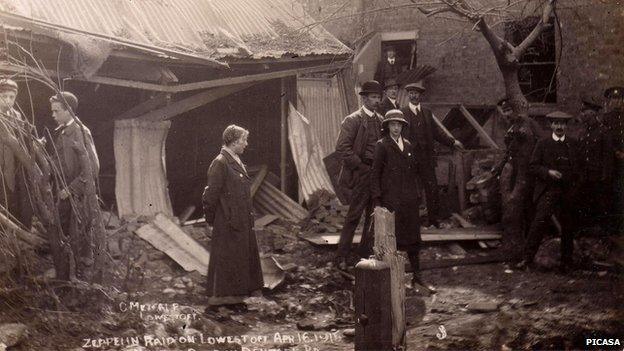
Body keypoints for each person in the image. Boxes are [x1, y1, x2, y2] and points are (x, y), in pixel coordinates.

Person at [371, 109, 435, 294]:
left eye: (399, 124)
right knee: (391, 240)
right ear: (387, 126)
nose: (396, 127)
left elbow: (414, 172)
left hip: (408, 200)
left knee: (413, 239)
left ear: (403, 126)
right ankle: (388, 280)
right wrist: (377, 200)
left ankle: (417, 276)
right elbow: (374, 174)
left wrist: (417, 194)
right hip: (390, 201)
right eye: (393, 124)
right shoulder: (381, 145)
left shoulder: (407, 145)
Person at [202, 125, 263, 307]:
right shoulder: (220, 162)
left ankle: (238, 294)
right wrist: (211, 221)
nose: (246, 144)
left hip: (240, 219)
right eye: (244, 140)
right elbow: (210, 195)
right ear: (235, 141)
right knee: (229, 258)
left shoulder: (235, 160)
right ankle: (223, 297)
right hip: (228, 220)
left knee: (239, 256)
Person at [517, 111, 580, 272]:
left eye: (563, 124)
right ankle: (527, 259)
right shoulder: (543, 143)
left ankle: (567, 261)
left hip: (567, 190)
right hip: (549, 189)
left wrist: (574, 186)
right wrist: (548, 172)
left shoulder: (573, 143)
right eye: (556, 123)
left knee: (568, 225)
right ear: (551, 125)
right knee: (539, 222)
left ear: (566, 126)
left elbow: (580, 168)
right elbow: (533, 166)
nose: (559, 127)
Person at [335, 80, 384, 269]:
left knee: (373, 216)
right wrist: (362, 167)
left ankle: (362, 255)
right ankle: (341, 256)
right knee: (354, 216)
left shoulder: (381, 121)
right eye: (373, 97)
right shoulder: (353, 120)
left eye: (378, 97)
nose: (376, 101)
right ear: (364, 98)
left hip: (377, 175)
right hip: (361, 174)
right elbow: (342, 148)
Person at [400, 81, 463, 227]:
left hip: (426, 158)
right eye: (411, 93)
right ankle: (411, 222)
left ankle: (433, 220)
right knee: (410, 190)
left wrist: (453, 142)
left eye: (416, 93)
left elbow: (437, 133)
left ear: (420, 95)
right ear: (408, 95)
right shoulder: (402, 113)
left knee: (432, 189)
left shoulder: (427, 113)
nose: (413, 95)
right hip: (409, 158)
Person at [49, 91, 99, 271]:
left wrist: (71, 189)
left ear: (68, 110)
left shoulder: (80, 132)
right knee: (65, 231)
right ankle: (68, 269)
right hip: (63, 191)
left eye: (56, 111)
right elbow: (59, 160)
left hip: (77, 193)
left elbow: (92, 167)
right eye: (52, 111)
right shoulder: (63, 131)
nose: (53, 115)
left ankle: (81, 274)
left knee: (79, 232)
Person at [490, 98, 543, 237]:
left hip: (527, 169)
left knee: (528, 202)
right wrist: (500, 167)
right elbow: (509, 151)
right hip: (514, 170)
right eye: (504, 111)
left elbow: (541, 144)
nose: (506, 114)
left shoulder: (530, 124)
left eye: (509, 110)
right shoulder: (512, 127)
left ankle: (530, 234)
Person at [576, 96, 613, 230]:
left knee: (601, 204)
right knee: (585, 202)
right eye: (582, 111)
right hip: (584, 175)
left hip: (598, 176)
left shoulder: (604, 132)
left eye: (584, 112)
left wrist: (605, 176)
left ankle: (604, 233)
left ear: (592, 113)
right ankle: (587, 231)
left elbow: (608, 156)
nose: (582, 114)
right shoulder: (583, 132)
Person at [0, 78, 32, 227]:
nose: (8, 100)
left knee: (11, 195)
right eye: (4, 96)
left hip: (12, 164)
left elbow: (22, 140)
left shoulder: (17, 116)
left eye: (11, 97)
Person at [602, 86, 624, 234]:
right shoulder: (605, 118)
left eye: (619, 98)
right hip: (612, 162)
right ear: (609, 101)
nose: (616, 102)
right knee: (614, 192)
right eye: (613, 99)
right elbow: (605, 140)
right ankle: (615, 227)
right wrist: (616, 152)